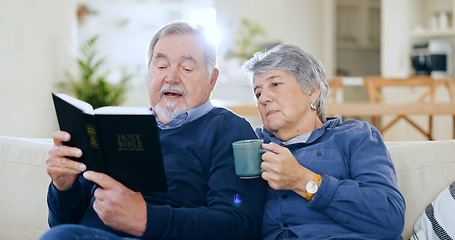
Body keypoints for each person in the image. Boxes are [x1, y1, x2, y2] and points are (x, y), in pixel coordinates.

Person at [41, 21, 266, 240]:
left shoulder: (230, 131)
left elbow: (239, 222)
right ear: (150, 72)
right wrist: (63, 187)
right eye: (161, 66)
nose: (171, 77)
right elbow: (64, 224)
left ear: (212, 79)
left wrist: (146, 218)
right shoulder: (117, 128)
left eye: (186, 68)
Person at [242, 43, 406, 240]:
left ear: (312, 90)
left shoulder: (355, 136)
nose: (263, 98)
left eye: (275, 84)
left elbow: (389, 218)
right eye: (258, 92)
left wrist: (302, 180)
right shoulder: (250, 146)